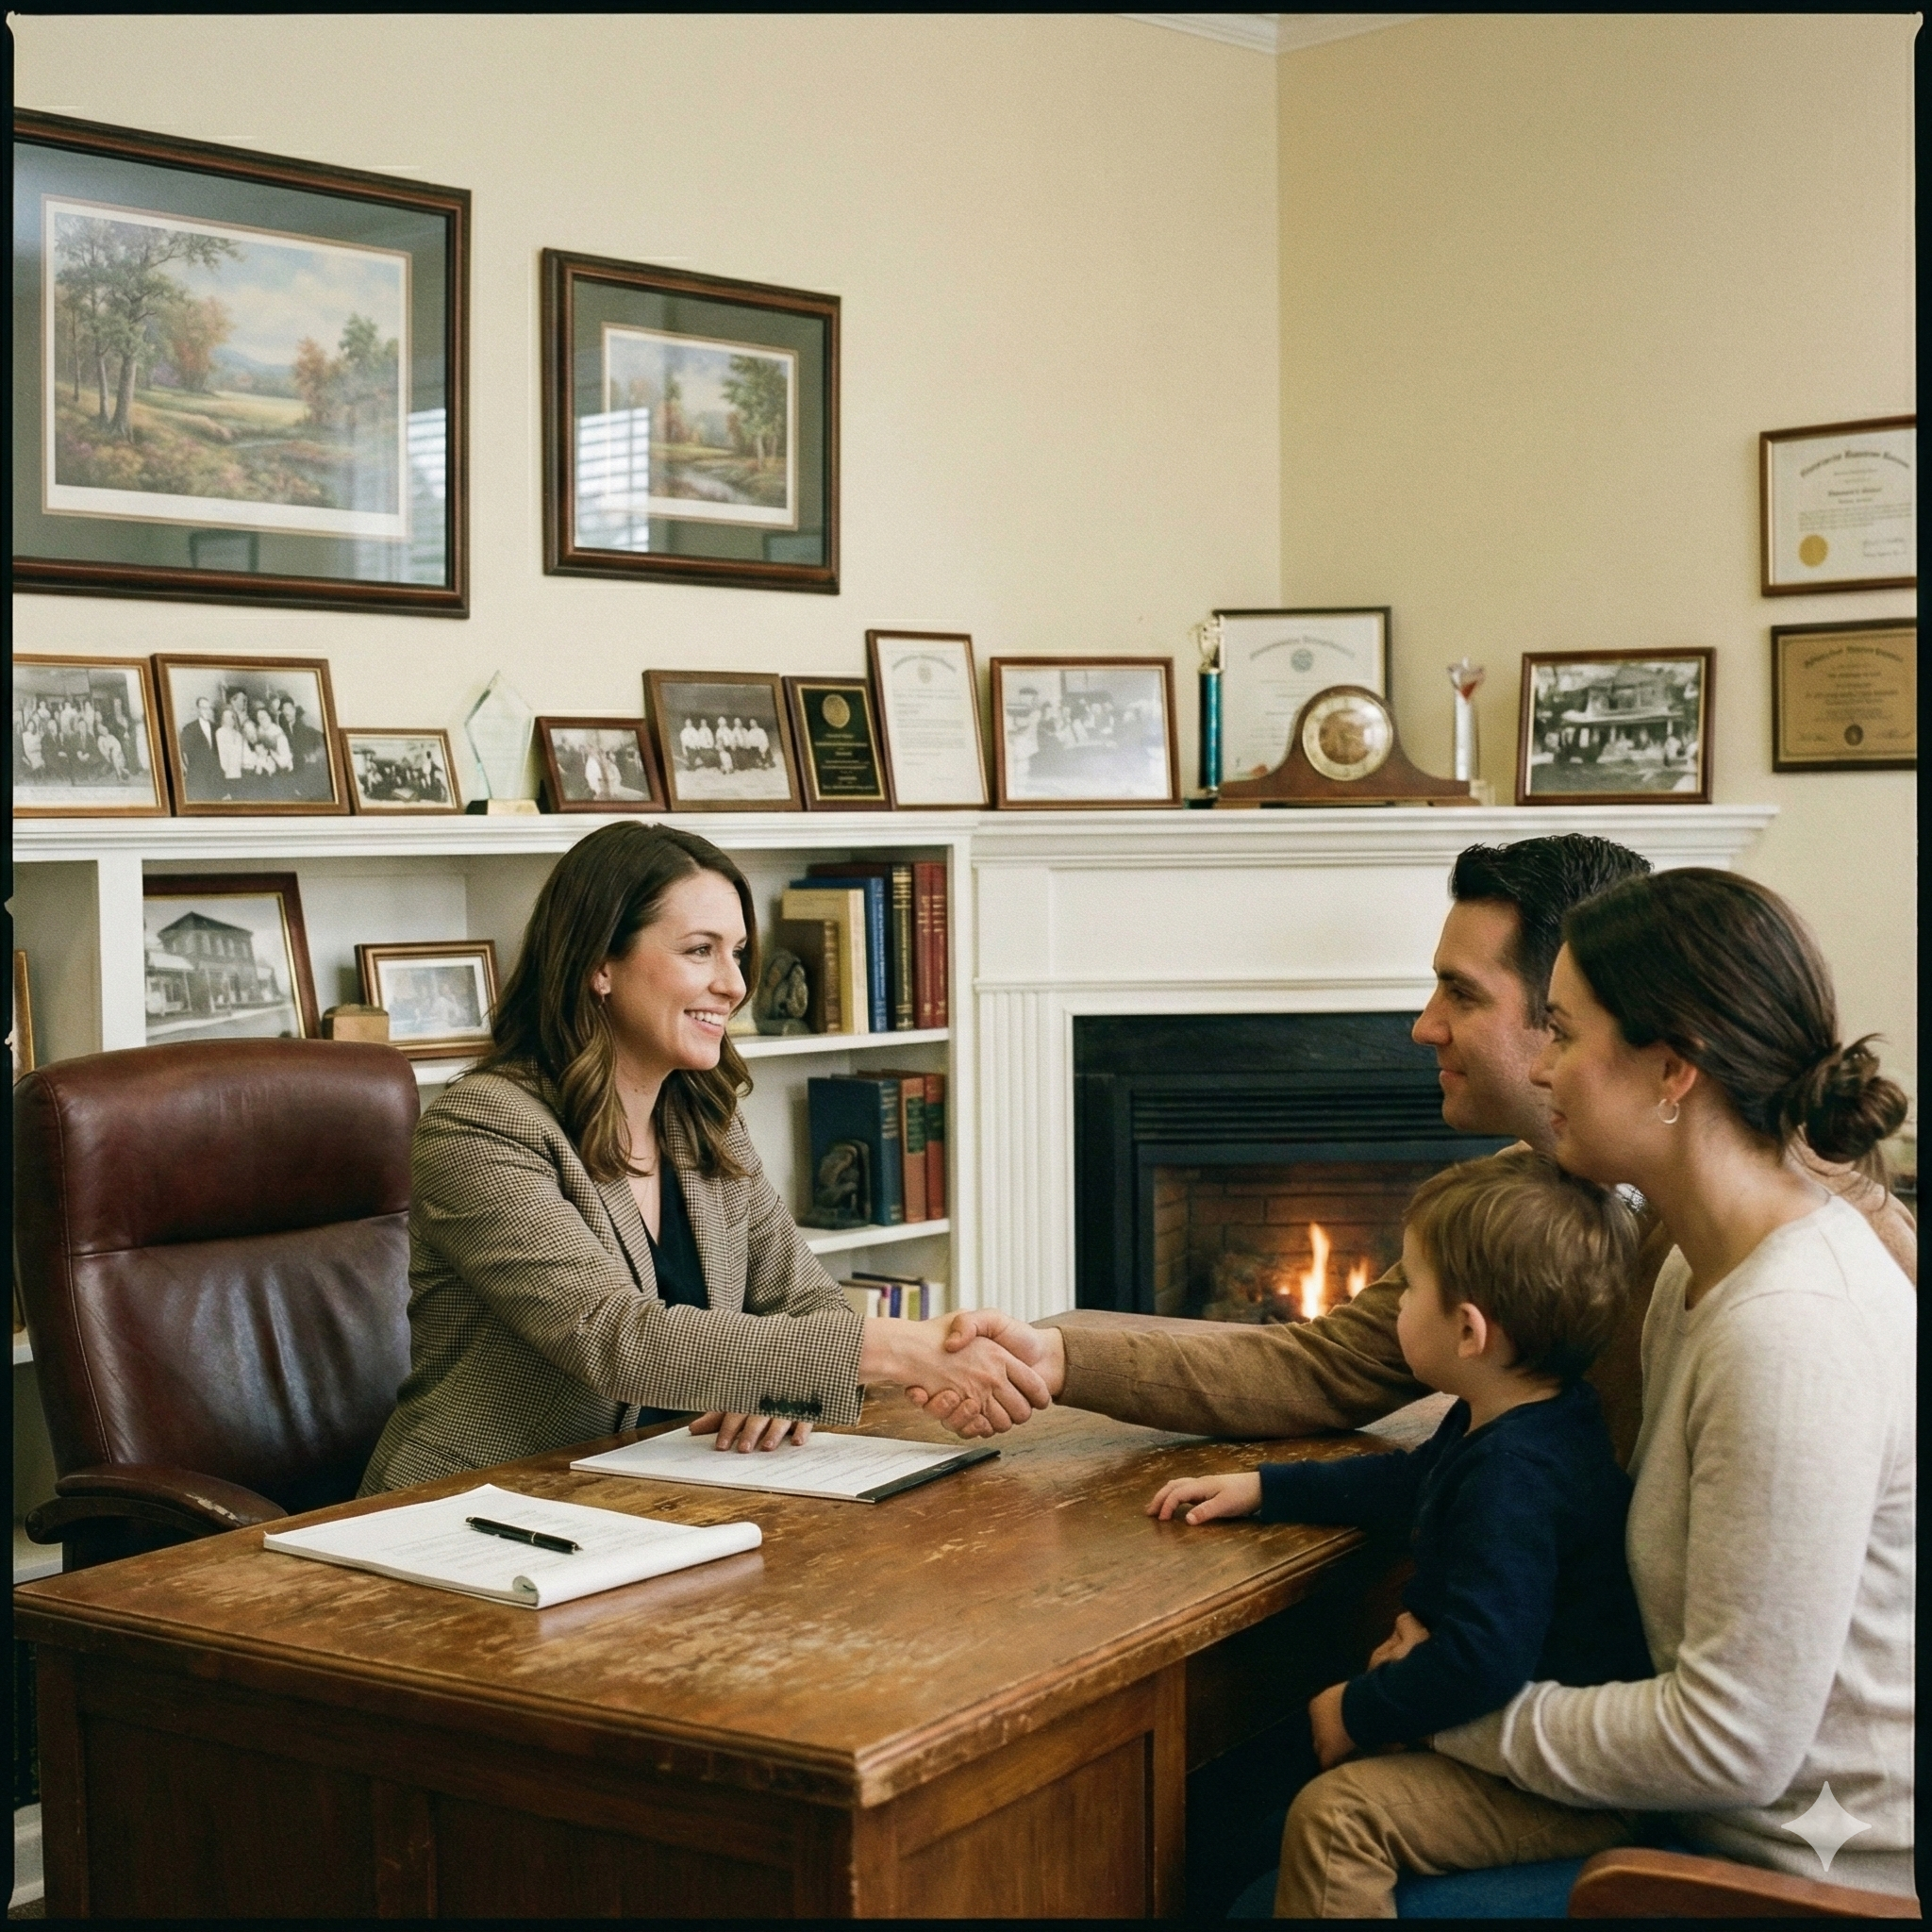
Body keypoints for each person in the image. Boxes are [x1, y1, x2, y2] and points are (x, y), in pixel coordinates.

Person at [915, 836, 1915, 1448]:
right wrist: (1055, 1355)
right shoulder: (1512, 1196)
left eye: (1462, 993)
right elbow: (1317, 1366)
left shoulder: (1817, 1242)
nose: (1421, 1025)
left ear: (1573, 1006)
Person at [1416, 869, 1914, 1898]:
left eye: (1559, 1031)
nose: (1539, 1067)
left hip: (1779, 1881)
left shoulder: (1789, 1330)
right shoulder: (1695, 1261)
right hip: (1683, 1824)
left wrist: (1446, 1710)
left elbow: (1733, 1742)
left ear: (1671, 1069)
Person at [359, 822, 1048, 1494]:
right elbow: (614, 1337)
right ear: (599, 964)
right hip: (477, 1507)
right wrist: (905, 1349)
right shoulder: (482, 1128)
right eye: (700, 951)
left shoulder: (703, 1125)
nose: (735, 985)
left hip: (666, 1492)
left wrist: (775, 1383)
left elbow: (805, 1303)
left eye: (739, 953)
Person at [1150, 1150, 1654, 1917]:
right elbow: (1412, 1481)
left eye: (1410, 1286)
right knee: (1267, 1810)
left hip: (1564, 1793)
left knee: (1336, 1819)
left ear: (1469, 1330)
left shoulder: (1516, 1476)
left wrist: (1356, 1710)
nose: (1394, 1306)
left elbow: (1484, 1659)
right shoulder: (1524, 1417)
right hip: (1521, 1753)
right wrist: (1263, 1488)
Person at [178, 694, 225, 795]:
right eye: (204, 708)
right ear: (197, 710)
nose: (207, 711)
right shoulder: (189, 729)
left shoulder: (217, 728)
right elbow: (183, 752)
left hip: (215, 777)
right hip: (198, 777)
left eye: (209, 708)